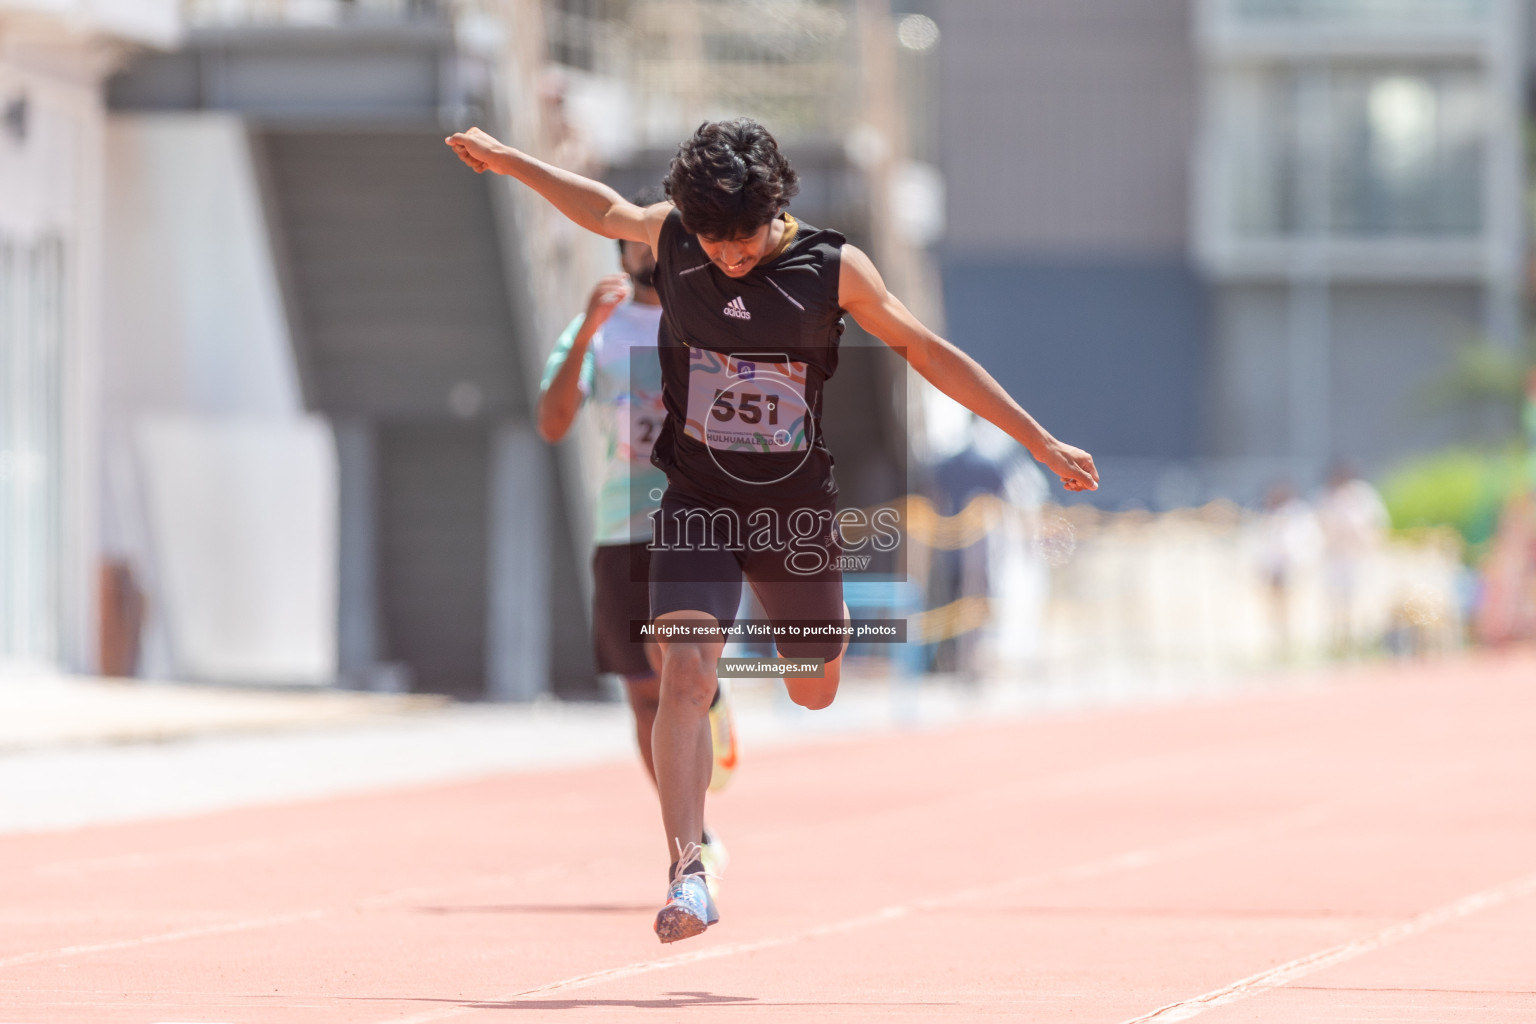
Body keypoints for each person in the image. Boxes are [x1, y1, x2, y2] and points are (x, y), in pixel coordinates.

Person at [446, 117, 1098, 943]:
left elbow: (926, 350)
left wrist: (1035, 438)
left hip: (789, 510)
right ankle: (689, 873)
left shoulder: (833, 269)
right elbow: (604, 210)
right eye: (712, 242)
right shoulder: (676, 237)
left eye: (742, 239)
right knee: (681, 672)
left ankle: (814, 646)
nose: (726, 256)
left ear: (775, 208)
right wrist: (507, 161)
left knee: (813, 684)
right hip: (695, 496)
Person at [536, 201, 738, 893]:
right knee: (644, 698)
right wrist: (589, 328)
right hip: (619, 526)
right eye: (630, 240)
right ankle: (695, 833)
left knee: (672, 670)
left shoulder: (713, 314)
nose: (644, 250)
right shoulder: (598, 328)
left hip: (691, 522)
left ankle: (703, 705)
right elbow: (554, 421)